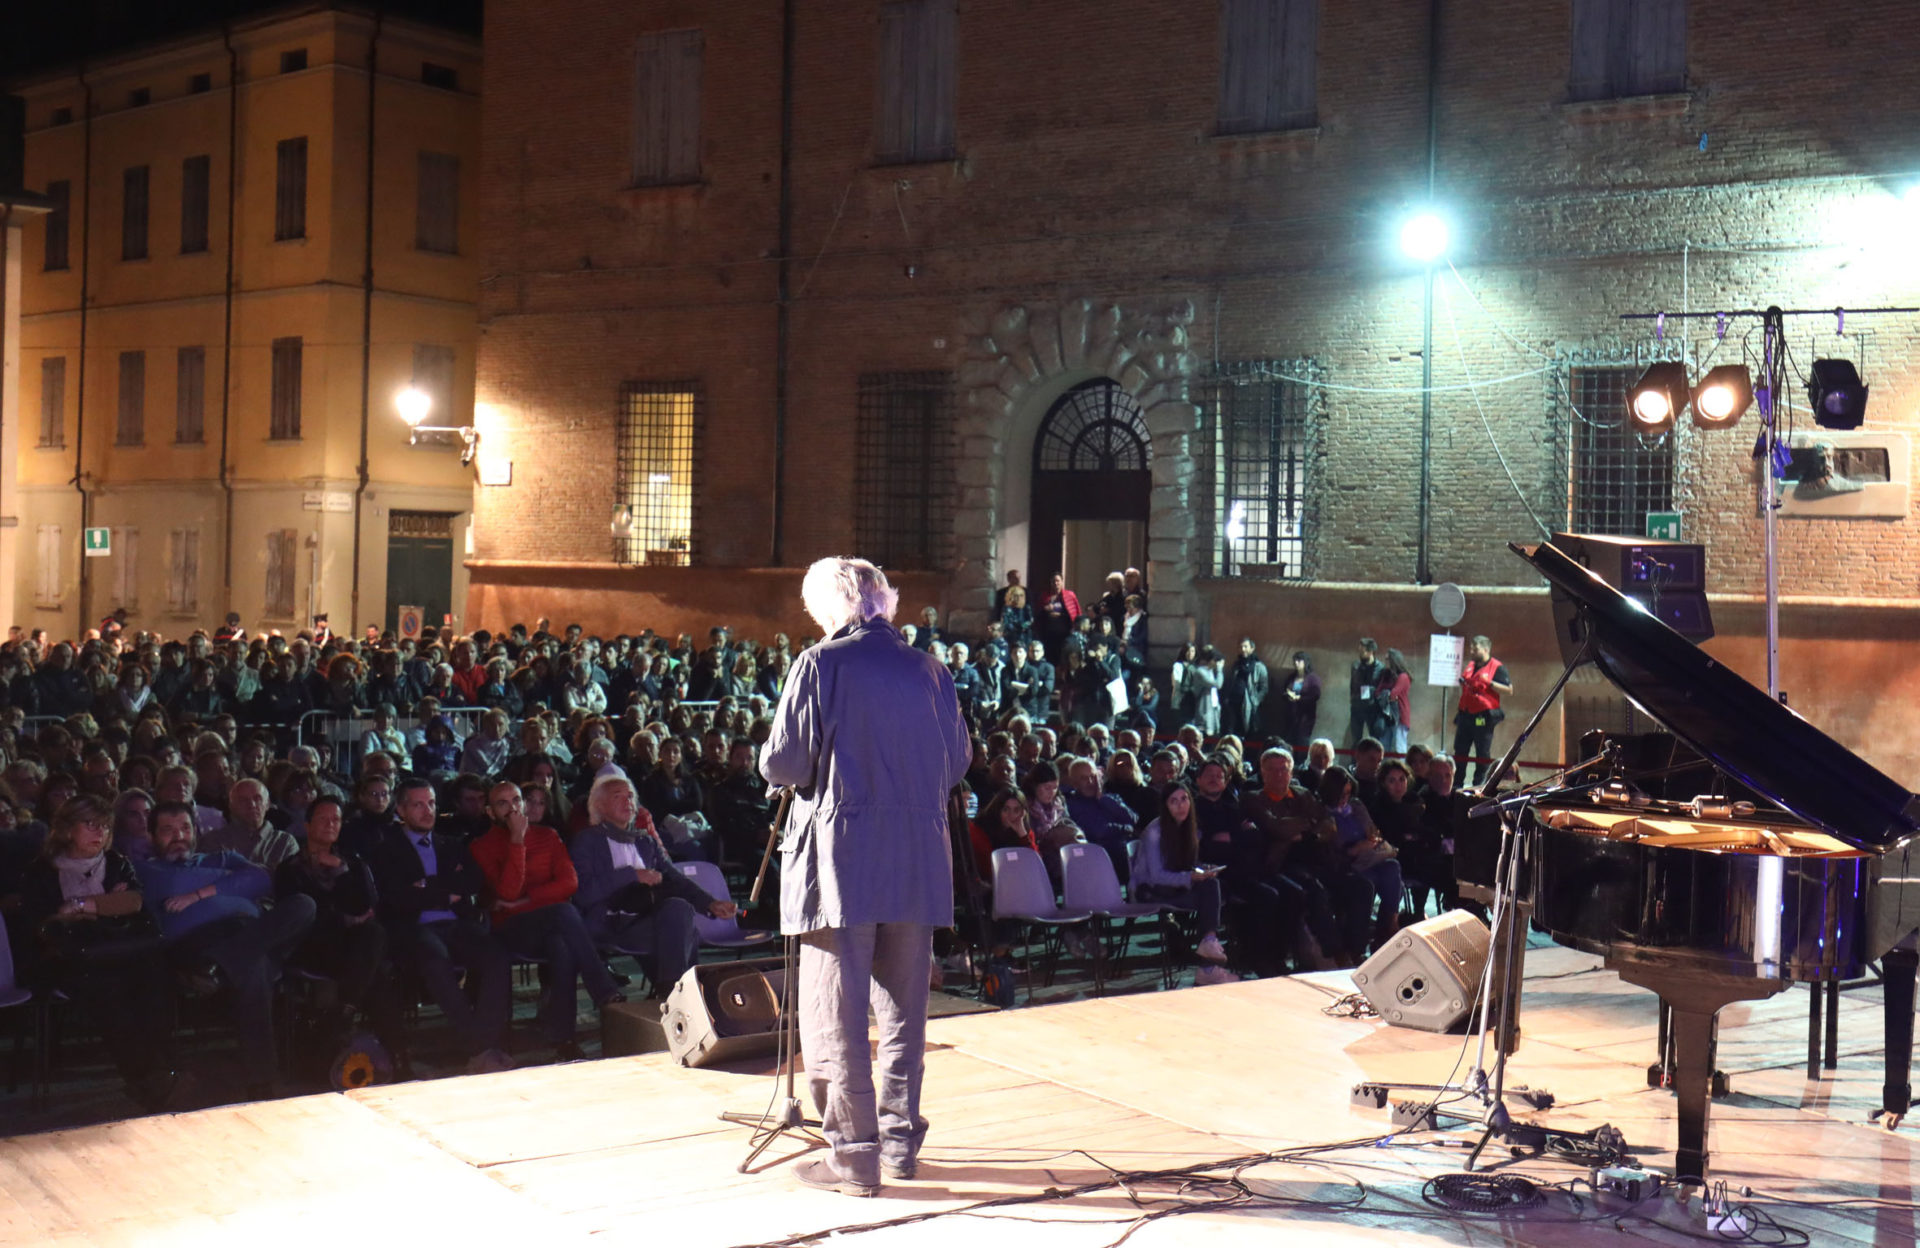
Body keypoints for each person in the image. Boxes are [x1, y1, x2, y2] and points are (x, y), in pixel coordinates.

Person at [760, 556, 971, 1196]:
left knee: (836, 1013)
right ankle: (901, 1144)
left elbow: (784, 762)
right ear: (886, 603)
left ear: (831, 608)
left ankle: (853, 1157)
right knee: (905, 1010)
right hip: (918, 860)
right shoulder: (931, 671)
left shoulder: (820, 665)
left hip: (842, 862)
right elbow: (958, 761)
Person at [136, 801, 316, 1099]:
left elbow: (261, 878)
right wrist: (229, 883)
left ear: (196, 831)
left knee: (304, 905)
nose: (178, 836)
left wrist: (197, 894)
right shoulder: (148, 869)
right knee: (254, 963)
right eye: (168, 830)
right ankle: (262, 1080)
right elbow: (175, 881)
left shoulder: (221, 856)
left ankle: (219, 966)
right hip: (197, 940)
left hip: (246, 932)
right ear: (152, 836)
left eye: (185, 828)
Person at [16, 795, 180, 1108]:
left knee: (154, 973)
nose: (99, 833)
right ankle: (147, 1077)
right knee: (106, 987)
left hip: (119, 948)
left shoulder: (116, 862)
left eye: (104, 826)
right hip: (69, 957)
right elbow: (42, 923)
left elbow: (133, 904)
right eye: (90, 825)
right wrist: (104, 906)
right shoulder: (41, 871)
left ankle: (162, 1070)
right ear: (67, 829)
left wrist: (82, 906)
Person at [367, 777, 513, 1074]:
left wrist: (426, 888)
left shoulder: (451, 843)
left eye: (431, 803)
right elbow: (397, 898)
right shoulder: (386, 848)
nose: (427, 810)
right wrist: (446, 892)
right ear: (401, 810)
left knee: (497, 955)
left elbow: (473, 881)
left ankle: (481, 1043)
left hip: (456, 924)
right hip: (413, 929)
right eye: (418, 804)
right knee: (435, 958)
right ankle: (481, 1048)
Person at [470, 782, 624, 1060]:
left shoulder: (549, 836)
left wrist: (527, 900)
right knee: (564, 913)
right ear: (491, 812)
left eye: (516, 800)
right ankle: (602, 989)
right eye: (503, 803)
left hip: (549, 923)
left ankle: (563, 1041)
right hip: (510, 928)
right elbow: (507, 892)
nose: (513, 808)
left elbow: (569, 883)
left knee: (562, 946)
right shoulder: (482, 847)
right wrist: (517, 840)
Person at [572, 773, 733, 997]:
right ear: (599, 805)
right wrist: (631, 875)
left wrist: (710, 903)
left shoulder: (644, 841)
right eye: (618, 796)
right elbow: (584, 894)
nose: (628, 802)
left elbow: (675, 879)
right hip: (611, 924)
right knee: (686, 932)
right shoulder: (587, 841)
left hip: (645, 920)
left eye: (631, 796)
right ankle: (680, 995)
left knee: (680, 910)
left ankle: (670, 990)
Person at [1130, 784, 1233, 986]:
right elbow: (1156, 876)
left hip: (1176, 885)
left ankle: (1209, 945)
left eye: (1184, 799)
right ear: (1165, 806)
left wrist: (1201, 869)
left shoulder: (1190, 829)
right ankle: (1208, 966)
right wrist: (1190, 877)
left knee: (1212, 886)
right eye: (1174, 801)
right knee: (1208, 897)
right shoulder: (1154, 832)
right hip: (1150, 889)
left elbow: (1185, 864)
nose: (1180, 806)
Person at [1452, 635, 1512, 788]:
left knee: (1482, 751)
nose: (1471, 651)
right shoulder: (1471, 665)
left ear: (1486, 649)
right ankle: (1456, 785)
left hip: (1482, 718)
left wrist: (1490, 683)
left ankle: (1478, 785)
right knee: (1460, 750)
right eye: (1471, 648)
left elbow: (1509, 690)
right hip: (1465, 716)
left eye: (1475, 648)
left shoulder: (1497, 667)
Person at [1223, 638, 1269, 738]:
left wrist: (1256, 700)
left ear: (1252, 649)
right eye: (1241, 647)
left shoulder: (1259, 667)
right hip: (1234, 704)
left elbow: (1264, 688)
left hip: (1249, 705)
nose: (1243, 649)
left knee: (1249, 732)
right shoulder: (1236, 665)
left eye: (1245, 647)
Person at [1348, 639, 1384, 749]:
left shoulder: (1380, 668)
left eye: (1362, 652)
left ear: (1370, 652)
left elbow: (1381, 687)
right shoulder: (1356, 666)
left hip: (1372, 707)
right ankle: (1354, 764)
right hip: (1357, 705)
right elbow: (1353, 684)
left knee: (1374, 738)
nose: (1360, 654)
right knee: (1355, 738)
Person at [1375, 648, 1413, 755]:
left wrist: (1386, 694)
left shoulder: (1403, 677)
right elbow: (1378, 692)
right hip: (1387, 716)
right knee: (1384, 745)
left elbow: (1393, 694)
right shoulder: (1386, 675)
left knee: (1399, 746)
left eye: (1388, 660)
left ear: (1394, 661)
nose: (1385, 662)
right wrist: (1386, 694)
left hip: (1400, 715)